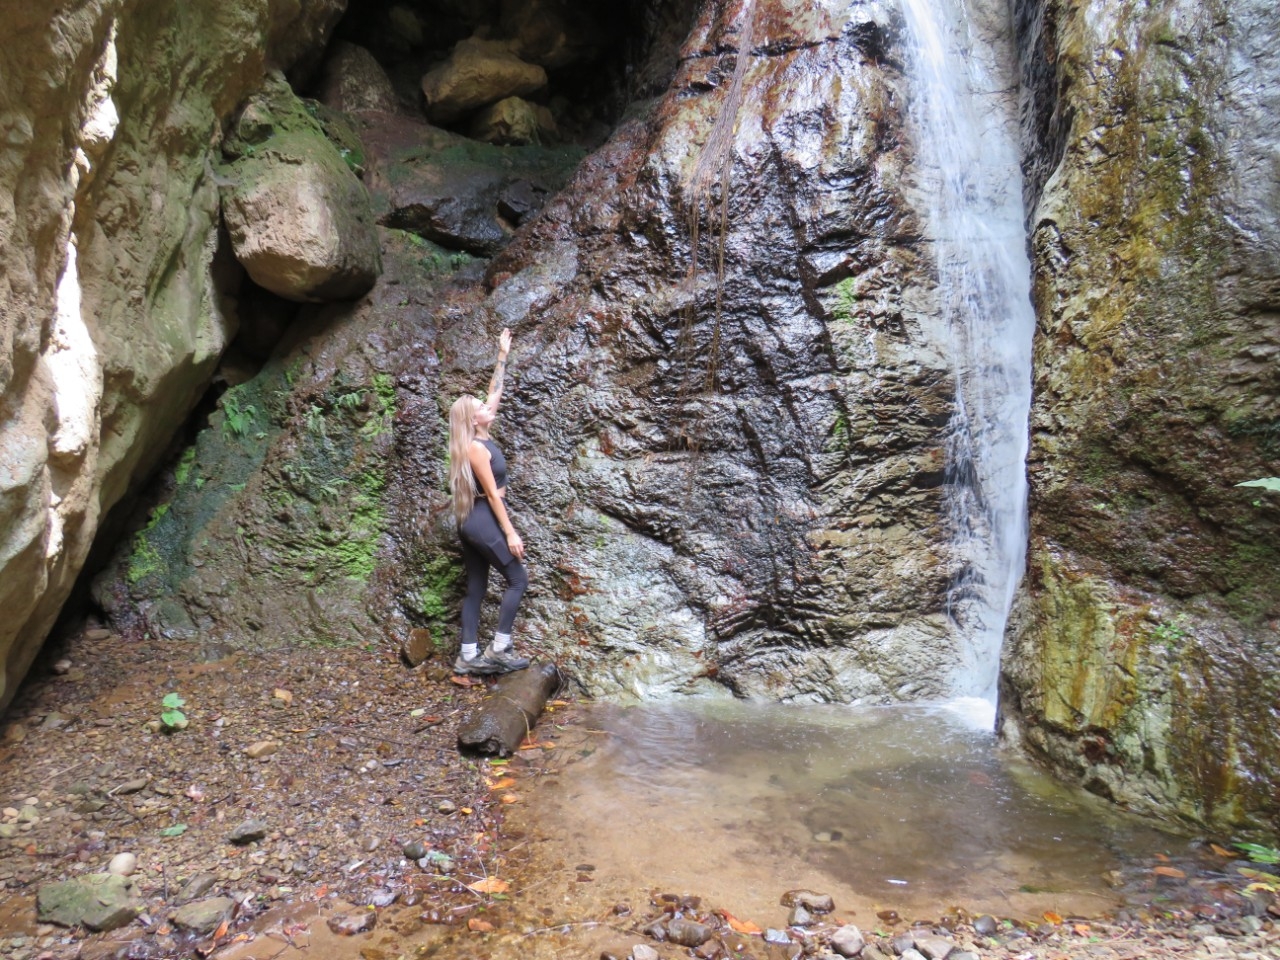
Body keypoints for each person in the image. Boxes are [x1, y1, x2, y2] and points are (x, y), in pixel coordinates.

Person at [447, 328, 531, 675]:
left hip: (471, 522)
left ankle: (467, 656)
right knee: (517, 579)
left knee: (478, 587)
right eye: (481, 407)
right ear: (472, 419)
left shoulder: (480, 433)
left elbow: (494, 392)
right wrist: (510, 533)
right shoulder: (476, 448)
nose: (487, 405)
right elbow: (494, 496)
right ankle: (499, 648)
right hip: (482, 520)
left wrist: (502, 355)